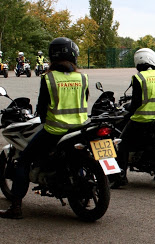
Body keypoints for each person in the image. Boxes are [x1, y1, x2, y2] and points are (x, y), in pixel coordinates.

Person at [0, 37, 88, 219]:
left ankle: (16, 208)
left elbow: (41, 109)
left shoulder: (49, 78)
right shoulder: (82, 77)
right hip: (79, 129)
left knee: (24, 160)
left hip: (55, 131)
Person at [113, 48, 155, 187]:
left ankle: (121, 178)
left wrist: (128, 112)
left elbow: (137, 103)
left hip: (143, 119)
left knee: (123, 143)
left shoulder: (139, 77)